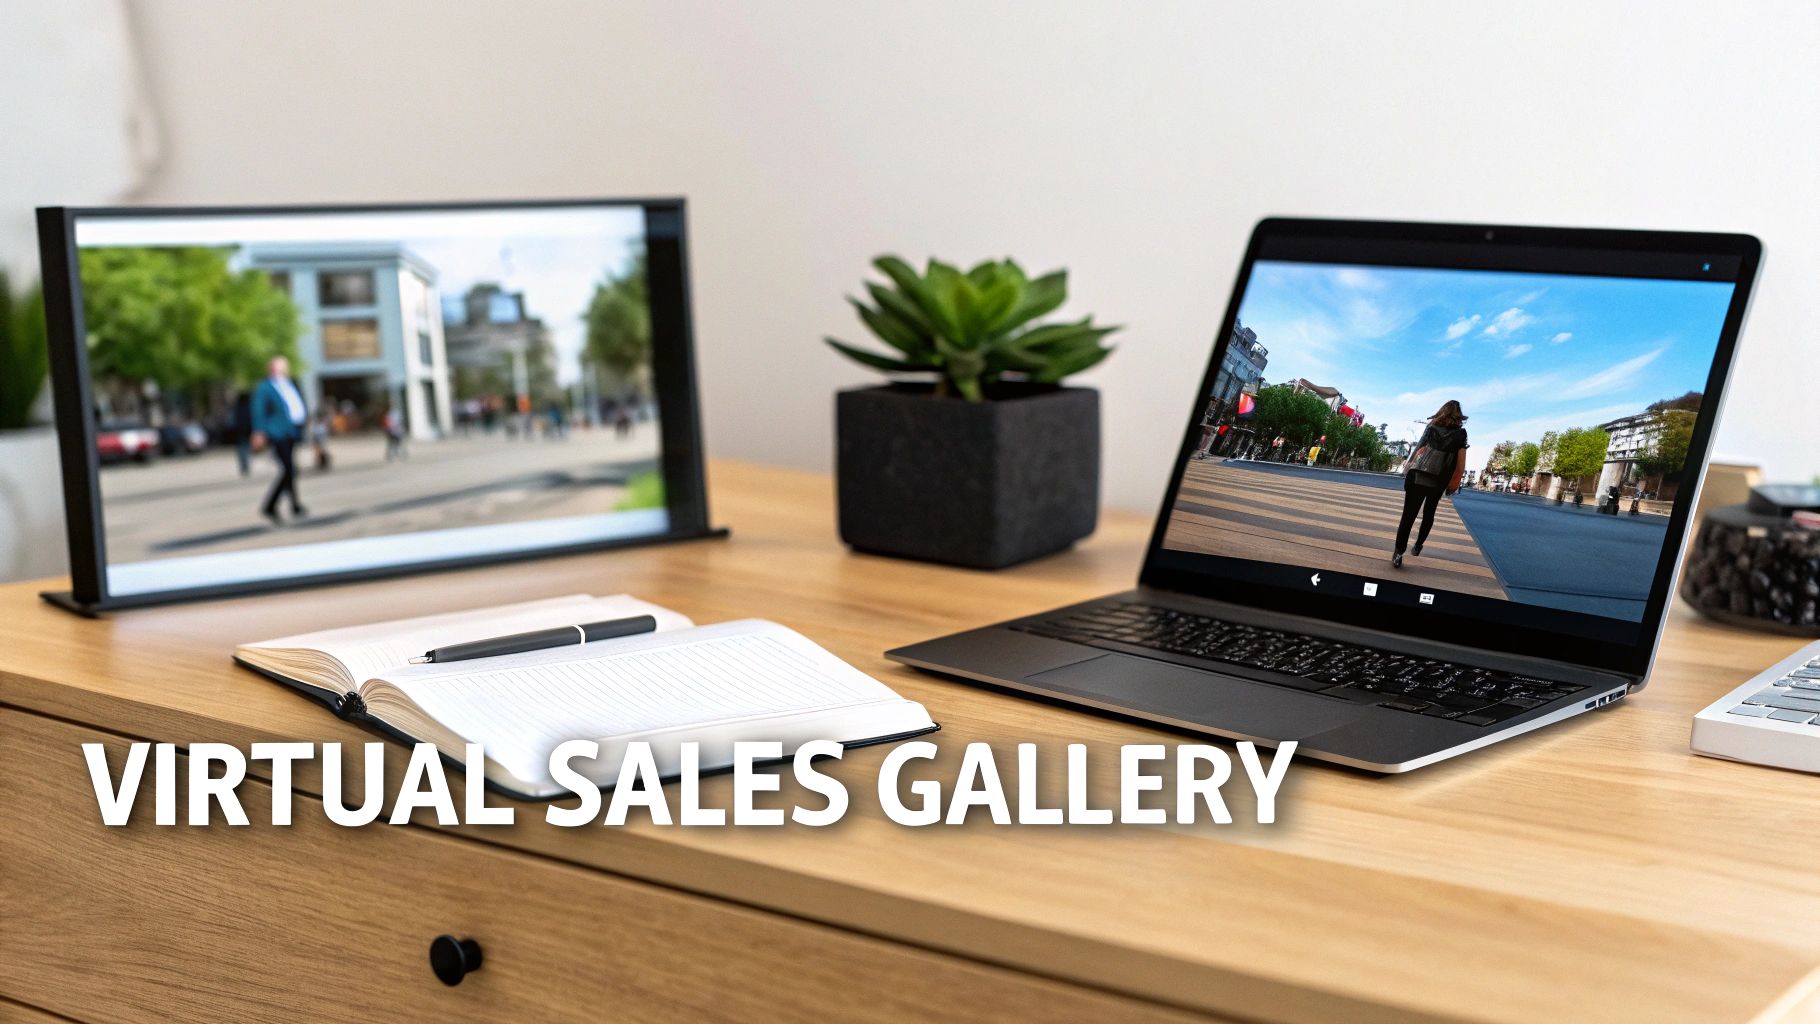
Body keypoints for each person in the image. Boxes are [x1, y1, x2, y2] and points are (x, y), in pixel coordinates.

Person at [1392, 400, 1469, 568]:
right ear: (1458, 416)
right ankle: (1418, 544)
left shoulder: (1431, 428)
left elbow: (1419, 448)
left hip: (1418, 475)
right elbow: (1460, 461)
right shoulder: (1460, 434)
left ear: (1441, 412)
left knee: (1408, 516)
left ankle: (1398, 552)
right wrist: (1455, 481)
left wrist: (1408, 468)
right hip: (1439, 480)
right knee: (1429, 513)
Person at [249, 356, 309, 525]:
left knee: (291, 469)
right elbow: (258, 410)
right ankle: (270, 505)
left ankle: (295, 505)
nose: (279, 371)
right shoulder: (265, 387)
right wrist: (259, 431)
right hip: (277, 433)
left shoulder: (290, 384)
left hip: (292, 431)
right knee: (289, 469)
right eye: (276, 368)